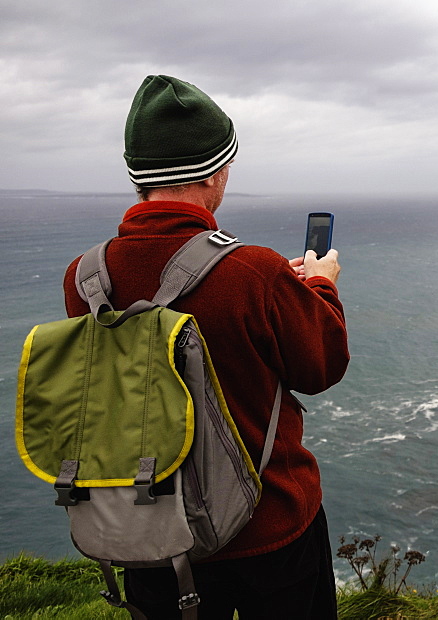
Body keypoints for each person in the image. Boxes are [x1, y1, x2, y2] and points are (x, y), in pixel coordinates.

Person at [62, 75, 350, 619]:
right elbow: (321, 365)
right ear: (213, 173)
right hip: (271, 524)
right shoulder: (252, 271)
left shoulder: (85, 277)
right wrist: (320, 285)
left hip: (152, 527)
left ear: (138, 177)